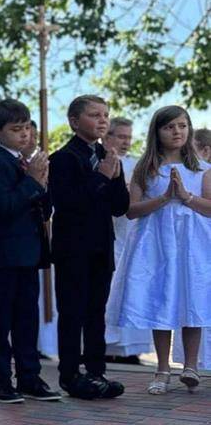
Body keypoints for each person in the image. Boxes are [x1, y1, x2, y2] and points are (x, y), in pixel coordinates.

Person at [107, 105, 211, 394]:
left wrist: (186, 196)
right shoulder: (146, 169)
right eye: (169, 127)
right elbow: (131, 210)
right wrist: (165, 198)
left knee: (192, 298)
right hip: (156, 245)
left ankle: (191, 365)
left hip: (192, 245)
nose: (177, 132)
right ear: (157, 132)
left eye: (182, 126)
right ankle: (162, 369)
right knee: (161, 299)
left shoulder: (202, 169)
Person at [0, 100, 59, 403]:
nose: (24, 134)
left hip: (29, 254)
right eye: (16, 129)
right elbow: (4, 207)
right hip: (2, 256)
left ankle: (29, 377)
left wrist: (42, 184)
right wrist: (32, 181)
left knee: (27, 318)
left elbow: (45, 210)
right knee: (1, 321)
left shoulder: (30, 163)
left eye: (26, 127)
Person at [48, 94, 129, 400]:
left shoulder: (108, 156)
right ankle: (70, 375)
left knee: (97, 312)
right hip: (73, 249)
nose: (102, 120)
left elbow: (119, 206)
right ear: (74, 121)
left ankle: (96, 372)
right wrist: (101, 176)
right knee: (73, 312)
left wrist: (114, 178)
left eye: (105, 114)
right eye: (95, 115)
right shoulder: (62, 159)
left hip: (101, 247)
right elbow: (68, 204)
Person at [105, 115, 151, 363]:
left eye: (129, 137)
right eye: (121, 136)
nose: (126, 142)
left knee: (133, 292)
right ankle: (106, 348)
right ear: (108, 136)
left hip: (133, 237)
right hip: (110, 236)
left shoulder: (137, 165)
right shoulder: (101, 161)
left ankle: (131, 350)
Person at [22, 121, 58, 360]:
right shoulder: (9, 164)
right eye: (26, 133)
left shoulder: (43, 164)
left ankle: (44, 344)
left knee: (43, 300)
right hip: (19, 245)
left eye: (34, 135)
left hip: (40, 241)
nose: (31, 139)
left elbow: (47, 207)